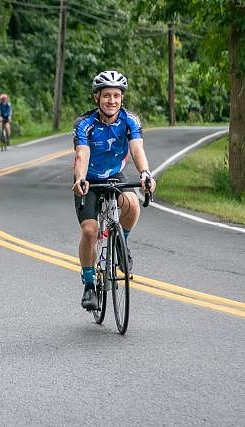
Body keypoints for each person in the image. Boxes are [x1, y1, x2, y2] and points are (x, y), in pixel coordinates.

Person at [71, 70, 156, 311]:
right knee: (90, 231)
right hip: (88, 179)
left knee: (132, 204)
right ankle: (89, 285)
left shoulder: (130, 120)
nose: (112, 100)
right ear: (96, 97)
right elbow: (82, 154)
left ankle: (121, 244)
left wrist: (145, 173)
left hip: (114, 176)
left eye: (116, 95)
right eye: (106, 95)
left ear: (122, 98)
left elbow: (137, 148)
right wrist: (80, 178)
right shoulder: (84, 124)